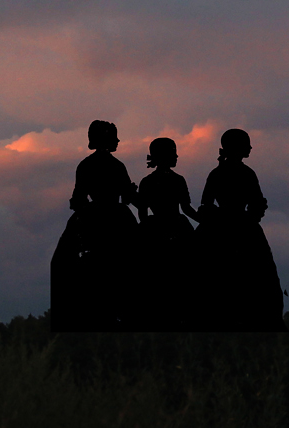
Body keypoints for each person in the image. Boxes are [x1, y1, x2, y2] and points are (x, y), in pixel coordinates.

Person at [51, 120, 139, 331]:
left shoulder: (85, 165)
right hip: (118, 218)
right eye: (114, 136)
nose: (118, 140)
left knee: (61, 262)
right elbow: (128, 196)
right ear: (107, 139)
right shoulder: (117, 166)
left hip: (90, 217)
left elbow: (77, 198)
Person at [196, 129, 287, 331]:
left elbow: (206, 206)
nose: (251, 148)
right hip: (242, 230)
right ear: (238, 148)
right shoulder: (245, 173)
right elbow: (256, 203)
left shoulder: (218, 173)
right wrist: (250, 219)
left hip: (221, 229)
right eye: (247, 144)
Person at [131, 137, 201, 330]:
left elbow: (143, 212)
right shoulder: (178, 180)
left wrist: (147, 232)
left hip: (154, 231)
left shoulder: (147, 182)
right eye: (173, 152)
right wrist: (204, 222)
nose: (177, 156)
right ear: (166, 156)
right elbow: (186, 208)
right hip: (178, 229)